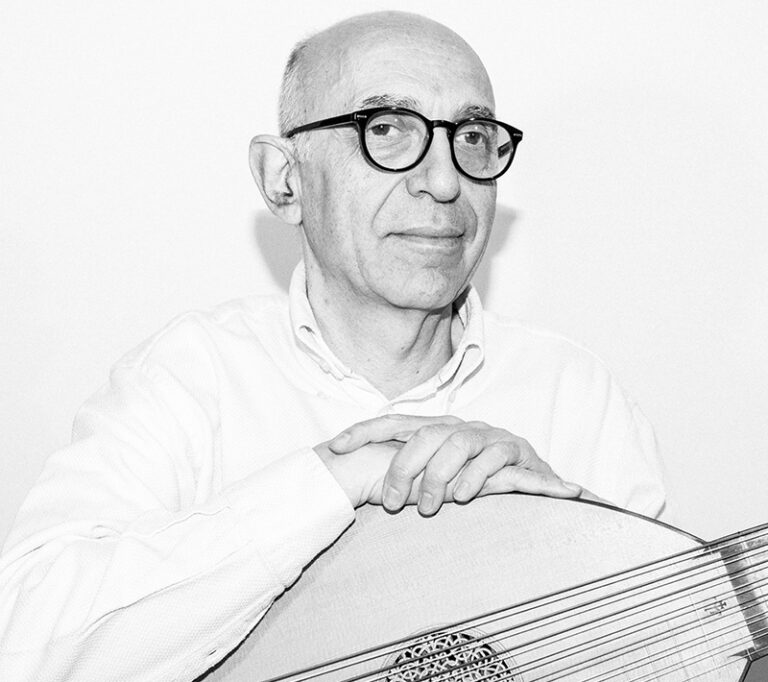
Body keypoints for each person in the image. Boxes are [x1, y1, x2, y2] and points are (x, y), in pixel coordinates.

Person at [0, 10, 666, 681]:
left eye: (471, 137)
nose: (444, 182)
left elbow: (678, 651)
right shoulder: (190, 380)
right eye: (386, 130)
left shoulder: (575, 396)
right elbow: (24, 647)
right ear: (284, 179)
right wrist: (331, 483)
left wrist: (567, 533)